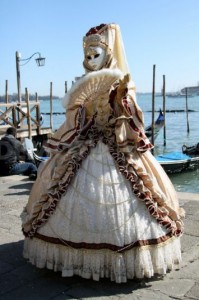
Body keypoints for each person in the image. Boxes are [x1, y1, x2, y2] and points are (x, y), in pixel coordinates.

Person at [21, 23, 185, 283]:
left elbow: (132, 121)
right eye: (87, 55)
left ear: (108, 53)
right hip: (84, 147)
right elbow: (75, 120)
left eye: (96, 54)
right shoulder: (81, 84)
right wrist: (82, 111)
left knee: (140, 193)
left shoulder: (122, 84)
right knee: (59, 186)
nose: (90, 61)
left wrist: (120, 104)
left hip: (116, 147)